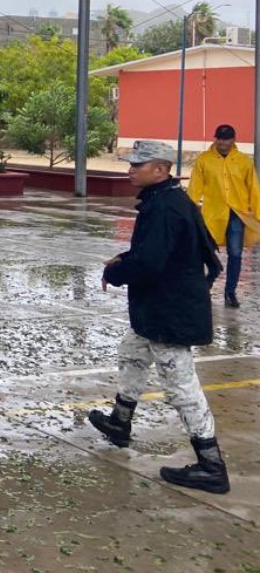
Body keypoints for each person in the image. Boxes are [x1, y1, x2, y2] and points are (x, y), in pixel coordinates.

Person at [90, 140, 229, 494]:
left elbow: (150, 263)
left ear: (161, 169)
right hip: (159, 308)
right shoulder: (167, 200)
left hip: (171, 313)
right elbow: (162, 251)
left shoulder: (165, 207)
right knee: (132, 353)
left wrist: (117, 272)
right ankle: (120, 422)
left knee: (182, 386)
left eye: (138, 164)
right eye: (131, 163)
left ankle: (211, 465)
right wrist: (126, 259)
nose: (131, 170)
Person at [187, 123, 260, 308]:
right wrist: (188, 212)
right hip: (212, 215)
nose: (222, 142)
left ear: (233, 140)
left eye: (226, 139)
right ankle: (206, 284)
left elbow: (254, 188)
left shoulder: (243, 161)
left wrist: (258, 213)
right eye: (219, 138)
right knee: (205, 251)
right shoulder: (204, 160)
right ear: (216, 139)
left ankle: (230, 292)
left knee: (235, 254)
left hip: (236, 215)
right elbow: (195, 187)